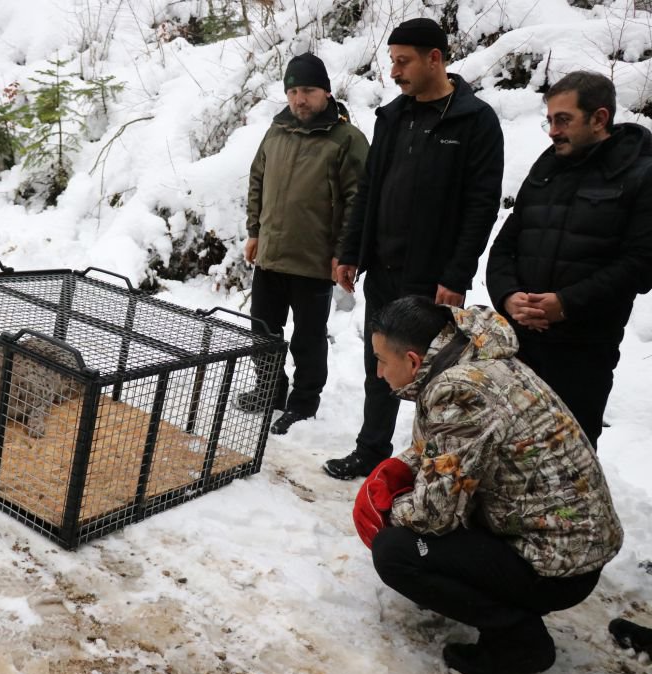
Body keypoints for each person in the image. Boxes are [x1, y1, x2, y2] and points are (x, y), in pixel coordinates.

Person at [352, 296, 622, 674]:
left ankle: (517, 642)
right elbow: (452, 447)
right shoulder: (471, 356)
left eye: (381, 360)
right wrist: (401, 467)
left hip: (558, 566)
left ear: (413, 360)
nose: (378, 372)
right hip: (570, 539)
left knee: (396, 551)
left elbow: (433, 514)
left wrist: (387, 511)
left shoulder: (460, 391)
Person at [325, 18, 504, 479]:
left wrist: (458, 275)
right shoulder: (393, 117)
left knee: (436, 376)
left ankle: (433, 464)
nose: (394, 72)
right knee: (380, 365)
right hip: (384, 268)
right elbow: (369, 191)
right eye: (392, 61)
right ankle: (372, 450)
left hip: (432, 278)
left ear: (435, 59)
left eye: (403, 62)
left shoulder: (474, 121)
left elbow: (480, 206)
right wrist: (350, 252)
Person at [486, 70, 652, 450]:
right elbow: (505, 245)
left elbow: (640, 265)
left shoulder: (640, 176)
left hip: (583, 351)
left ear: (599, 118)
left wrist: (566, 304)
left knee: (566, 458)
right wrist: (509, 297)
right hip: (520, 341)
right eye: (549, 120)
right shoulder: (545, 169)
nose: (552, 131)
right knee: (509, 450)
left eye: (563, 120)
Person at [238, 53, 368, 435]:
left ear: (326, 91)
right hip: (271, 256)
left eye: (308, 90)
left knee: (309, 339)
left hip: (314, 260)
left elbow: (357, 200)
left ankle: (304, 402)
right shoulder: (277, 131)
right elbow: (257, 179)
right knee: (262, 330)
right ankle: (270, 391)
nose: (299, 99)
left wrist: (343, 254)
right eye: (293, 91)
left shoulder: (348, 140)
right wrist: (255, 231)